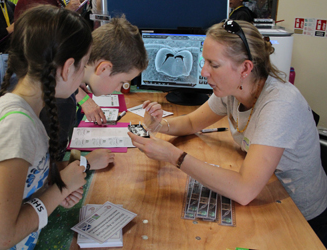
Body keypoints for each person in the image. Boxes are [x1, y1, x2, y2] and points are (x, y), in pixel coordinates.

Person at [128, 20, 327, 247]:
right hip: (264, 192)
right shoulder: (233, 89)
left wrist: (174, 156)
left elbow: (244, 190)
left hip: (298, 217)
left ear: (245, 69)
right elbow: (193, 121)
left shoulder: (280, 104)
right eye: (205, 62)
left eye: (214, 64)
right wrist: (159, 126)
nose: (204, 72)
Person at [0, 5, 111, 250]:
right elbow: (0, 239)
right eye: (83, 66)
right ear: (66, 68)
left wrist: (53, 191)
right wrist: (60, 189)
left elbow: (23, 191)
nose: (83, 73)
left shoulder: (27, 113)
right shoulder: (16, 127)